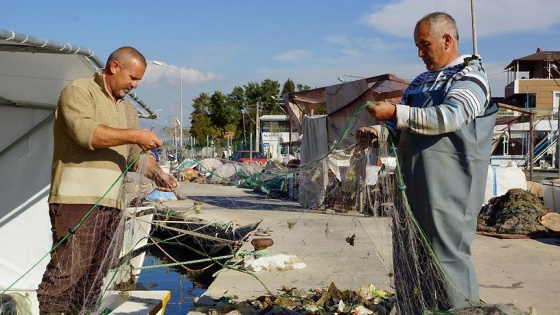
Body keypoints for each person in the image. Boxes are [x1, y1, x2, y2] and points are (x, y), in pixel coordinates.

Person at [363, 12, 497, 310]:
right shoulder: (420, 83)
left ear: (446, 40)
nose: (420, 53)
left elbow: (450, 117)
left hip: (450, 192)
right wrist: (376, 133)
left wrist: (395, 113)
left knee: (445, 258)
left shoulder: (470, 78)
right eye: (417, 46)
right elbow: (401, 127)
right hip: (412, 189)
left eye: (424, 45)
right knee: (410, 257)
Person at [37, 46, 177, 314]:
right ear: (114, 67)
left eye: (138, 81)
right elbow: (85, 133)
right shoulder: (79, 91)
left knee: (94, 276)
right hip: (77, 201)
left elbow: (137, 156)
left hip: (112, 205)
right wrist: (135, 136)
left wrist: (158, 173)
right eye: (132, 77)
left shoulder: (128, 111)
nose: (134, 85)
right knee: (66, 275)